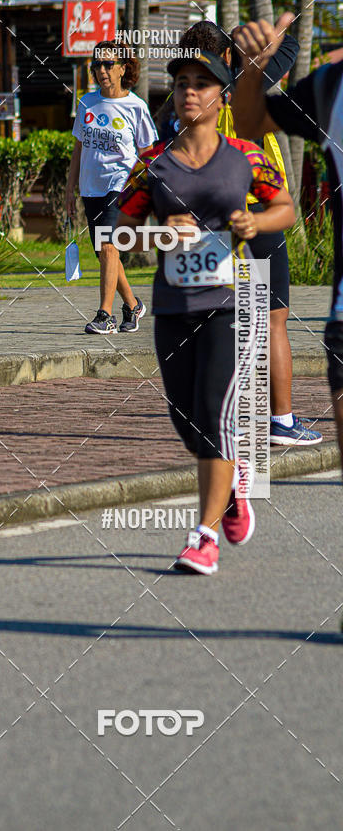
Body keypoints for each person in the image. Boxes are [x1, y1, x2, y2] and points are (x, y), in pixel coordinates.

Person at [114, 51, 295, 574]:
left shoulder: (245, 156)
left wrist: (254, 225)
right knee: (187, 420)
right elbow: (114, 232)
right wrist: (157, 233)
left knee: (215, 418)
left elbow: (283, 206)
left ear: (222, 97)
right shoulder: (152, 161)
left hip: (229, 306)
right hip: (173, 308)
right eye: (182, 83)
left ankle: (203, 537)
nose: (190, 91)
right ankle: (233, 486)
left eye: (202, 83)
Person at [158, 20, 321, 446]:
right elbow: (290, 44)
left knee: (220, 324)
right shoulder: (243, 84)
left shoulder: (176, 107)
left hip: (207, 226)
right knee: (271, 323)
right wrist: (255, 34)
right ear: (226, 56)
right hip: (257, 217)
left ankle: (216, 418)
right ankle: (280, 421)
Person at [231, 13, 343, 469]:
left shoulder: (182, 103)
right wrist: (254, 63)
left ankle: (256, 424)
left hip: (246, 217)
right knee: (260, 320)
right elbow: (251, 121)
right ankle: (266, 424)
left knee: (250, 321)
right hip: (252, 218)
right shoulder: (330, 87)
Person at [65, 39, 157, 334]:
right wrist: (70, 189)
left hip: (122, 185)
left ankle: (105, 315)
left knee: (108, 245)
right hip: (90, 187)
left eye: (108, 64)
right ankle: (132, 305)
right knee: (104, 253)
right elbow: (78, 148)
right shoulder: (87, 103)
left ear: (122, 69)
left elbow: (148, 154)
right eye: (97, 65)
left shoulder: (136, 107)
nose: (101, 70)